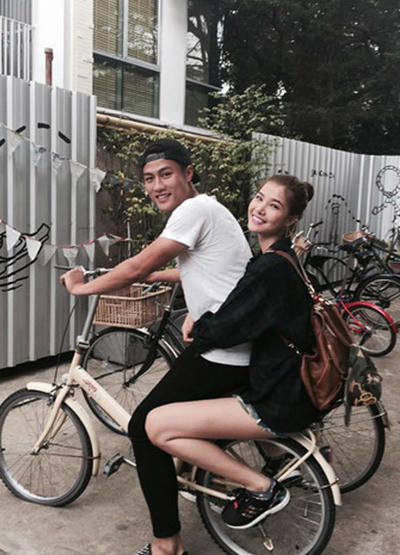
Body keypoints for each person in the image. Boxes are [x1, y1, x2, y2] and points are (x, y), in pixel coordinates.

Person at [60, 138, 253, 555]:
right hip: (230, 341)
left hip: (224, 353)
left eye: (166, 174)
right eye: (148, 179)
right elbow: (202, 268)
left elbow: (137, 265)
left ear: (188, 173)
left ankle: (167, 545)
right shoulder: (212, 209)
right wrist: (161, 279)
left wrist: (82, 288)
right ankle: (207, 474)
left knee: (143, 429)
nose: (156, 186)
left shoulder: (192, 211)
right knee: (180, 410)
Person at [143, 175, 323, 548]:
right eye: (259, 197)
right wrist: (198, 312)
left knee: (154, 426)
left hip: (275, 399)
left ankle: (261, 487)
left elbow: (229, 326)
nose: (260, 208)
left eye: (274, 205)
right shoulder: (279, 258)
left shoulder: (270, 268)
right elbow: (241, 302)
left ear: (290, 219)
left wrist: (199, 324)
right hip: (288, 386)